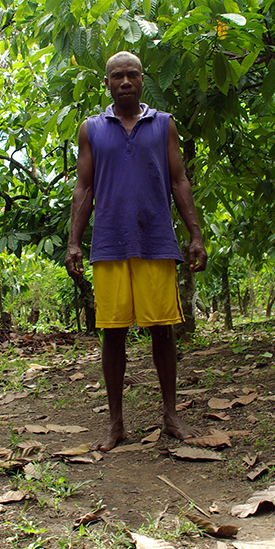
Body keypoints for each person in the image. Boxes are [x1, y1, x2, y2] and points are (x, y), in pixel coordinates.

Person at [65, 51, 208, 451]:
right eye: (117, 76)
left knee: (163, 329)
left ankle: (171, 415)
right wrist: (74, 242)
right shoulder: (91, 129)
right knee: (112, 332)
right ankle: (115, 423)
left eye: (131, 74)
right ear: (107, 83)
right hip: (110, 242)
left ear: (143, 80)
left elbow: (179, 181)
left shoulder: (163, 124)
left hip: (155, 240)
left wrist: (195, 235)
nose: (125, 81)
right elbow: (84, 187)